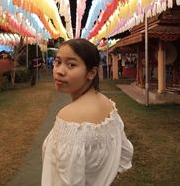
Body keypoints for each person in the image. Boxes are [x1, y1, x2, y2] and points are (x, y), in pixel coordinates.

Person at [41, 38, 133, 186]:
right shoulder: (108, 105)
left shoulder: (69, 118)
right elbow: (124, 155)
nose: (59, 71)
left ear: (91, 73)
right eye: (57, 62)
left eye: (71, 65)